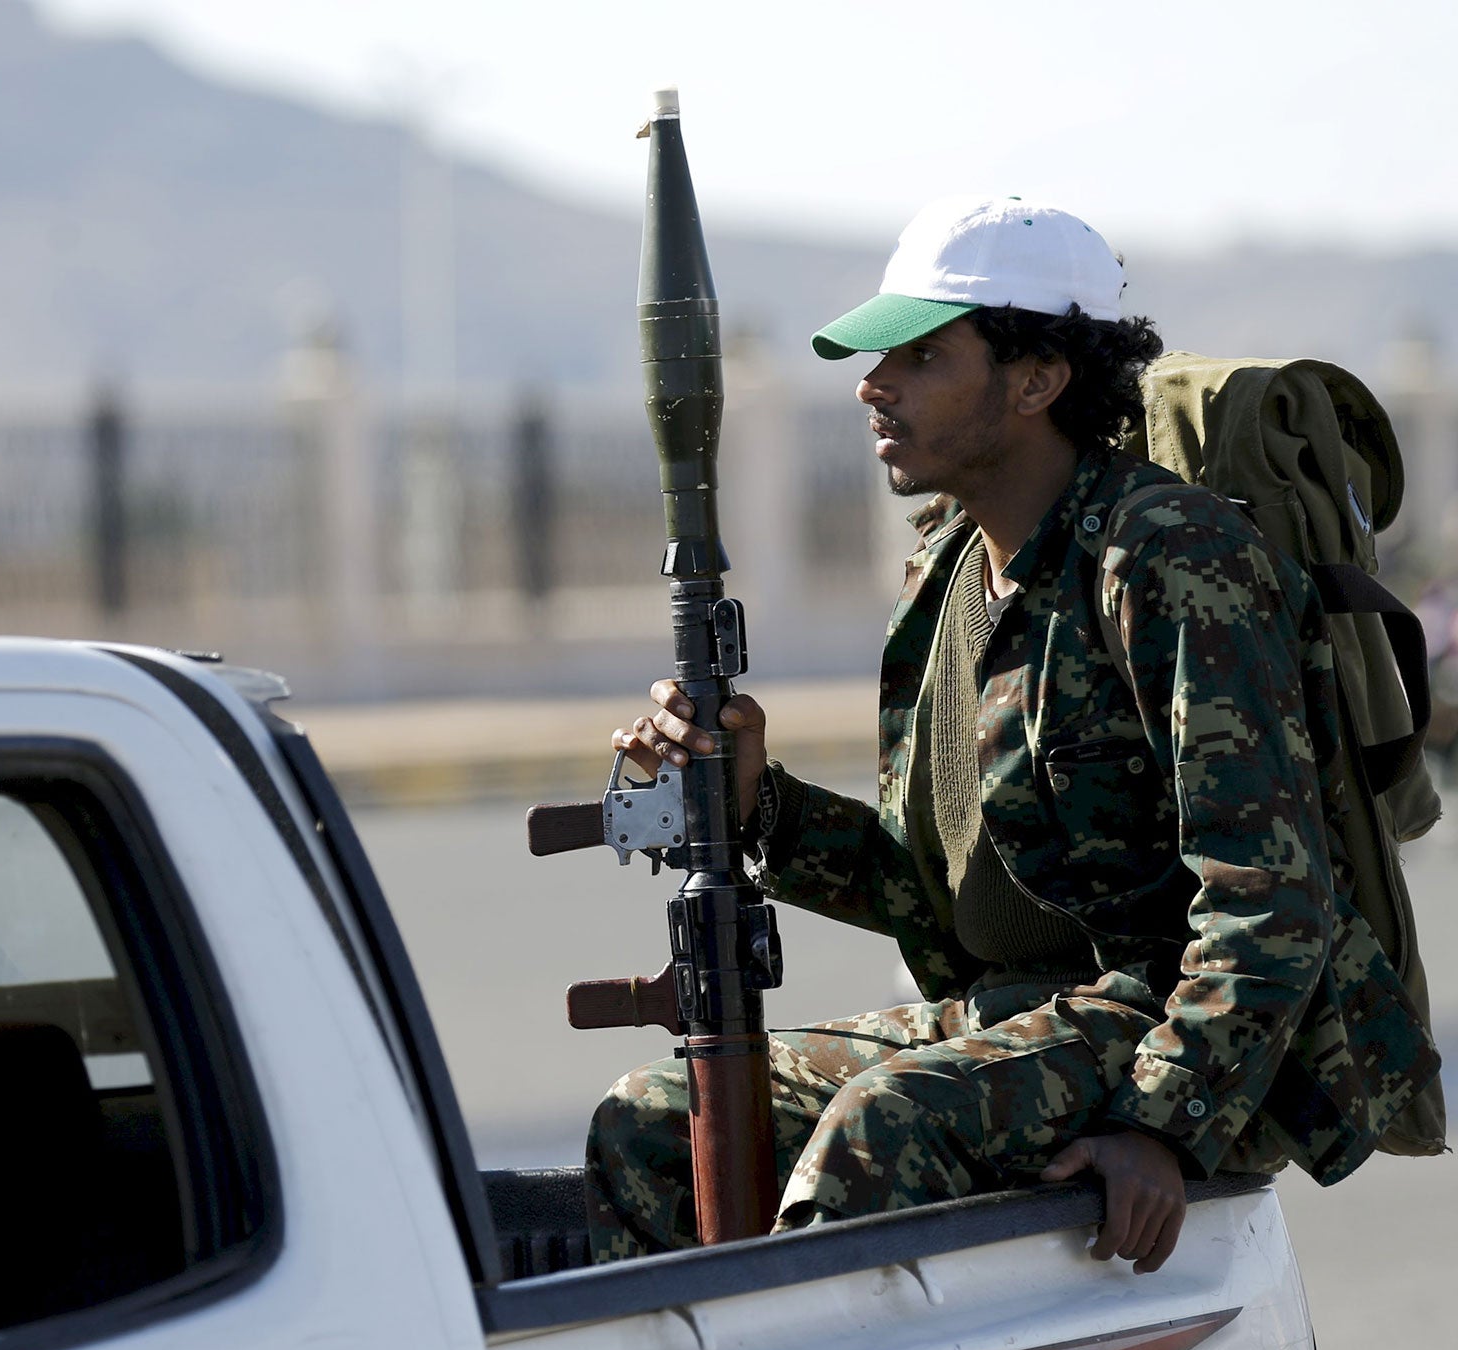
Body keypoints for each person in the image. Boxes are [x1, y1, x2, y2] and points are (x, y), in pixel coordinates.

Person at [586, 196, 1439, 1272]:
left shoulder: (1166, 558)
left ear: (1037, 379)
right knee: (657, 1120)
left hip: (1158, 1010)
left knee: (882, 1128)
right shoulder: (945, 572)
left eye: (921, 354)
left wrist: (1160, 1123)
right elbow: (936, 891)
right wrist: (759, 800)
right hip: (1008, 1010)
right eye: (876, 356)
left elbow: (1268, 896)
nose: (870, 384)